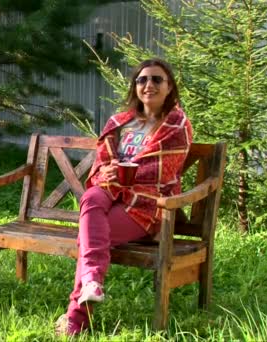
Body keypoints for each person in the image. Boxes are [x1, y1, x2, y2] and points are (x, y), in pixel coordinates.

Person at [55, 58, 193, 335]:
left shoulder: (177, 126)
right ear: (135, 87)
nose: (148, 85)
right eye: (142, 80)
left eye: (156, 79)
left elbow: (164, 170)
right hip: (109, 191)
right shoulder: (120, 122)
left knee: (87, 237)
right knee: (91, 197)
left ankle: (76, 318)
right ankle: (91, 283)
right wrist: (111, 173)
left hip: (146, 205)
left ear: (169, 87)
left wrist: (122, 174)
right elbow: (102, 161)